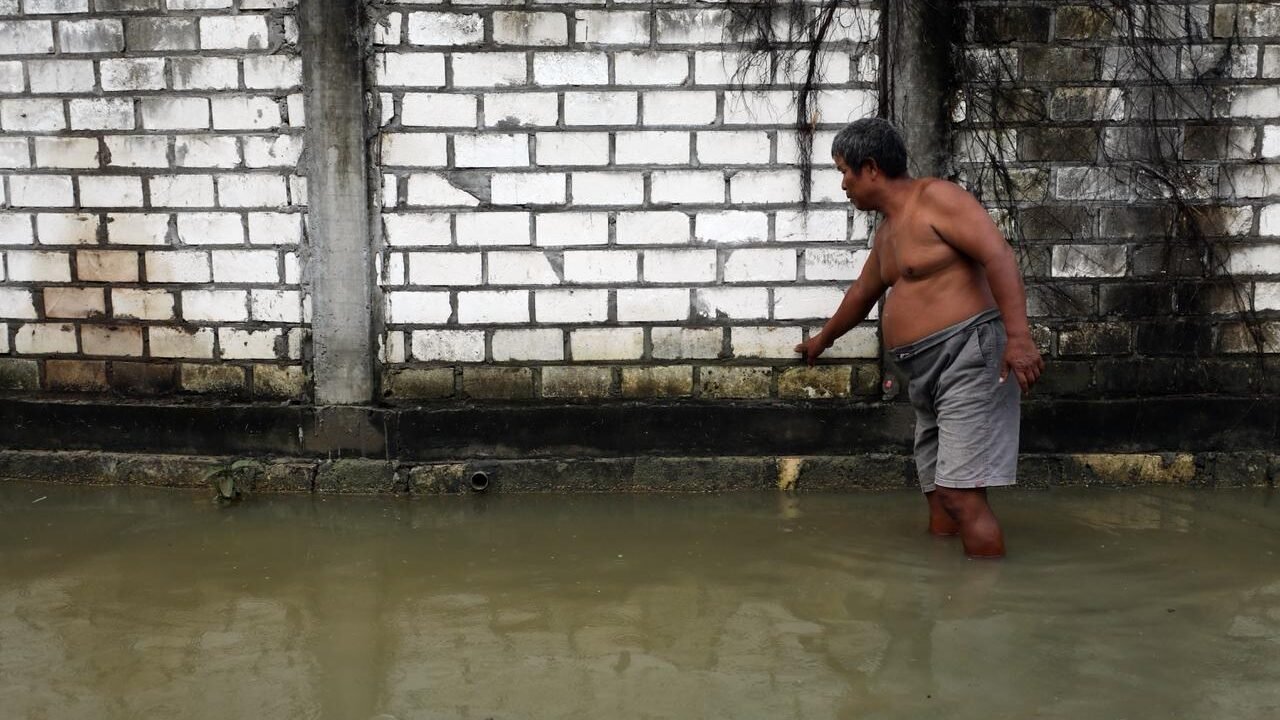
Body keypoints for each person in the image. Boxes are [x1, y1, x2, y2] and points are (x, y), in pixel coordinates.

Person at [795, 118, 1044, 558]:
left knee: (960, 495)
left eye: (845, 172)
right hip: (925, 376)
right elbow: (862, 294)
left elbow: (998, 255)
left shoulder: (938, 199)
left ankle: (987, 594)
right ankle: (941, 585)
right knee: (939, 497)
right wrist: (823, 340)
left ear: (871, 168)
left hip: (968, 356)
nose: (844, 185)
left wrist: (1019, 338)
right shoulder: (888, 231)